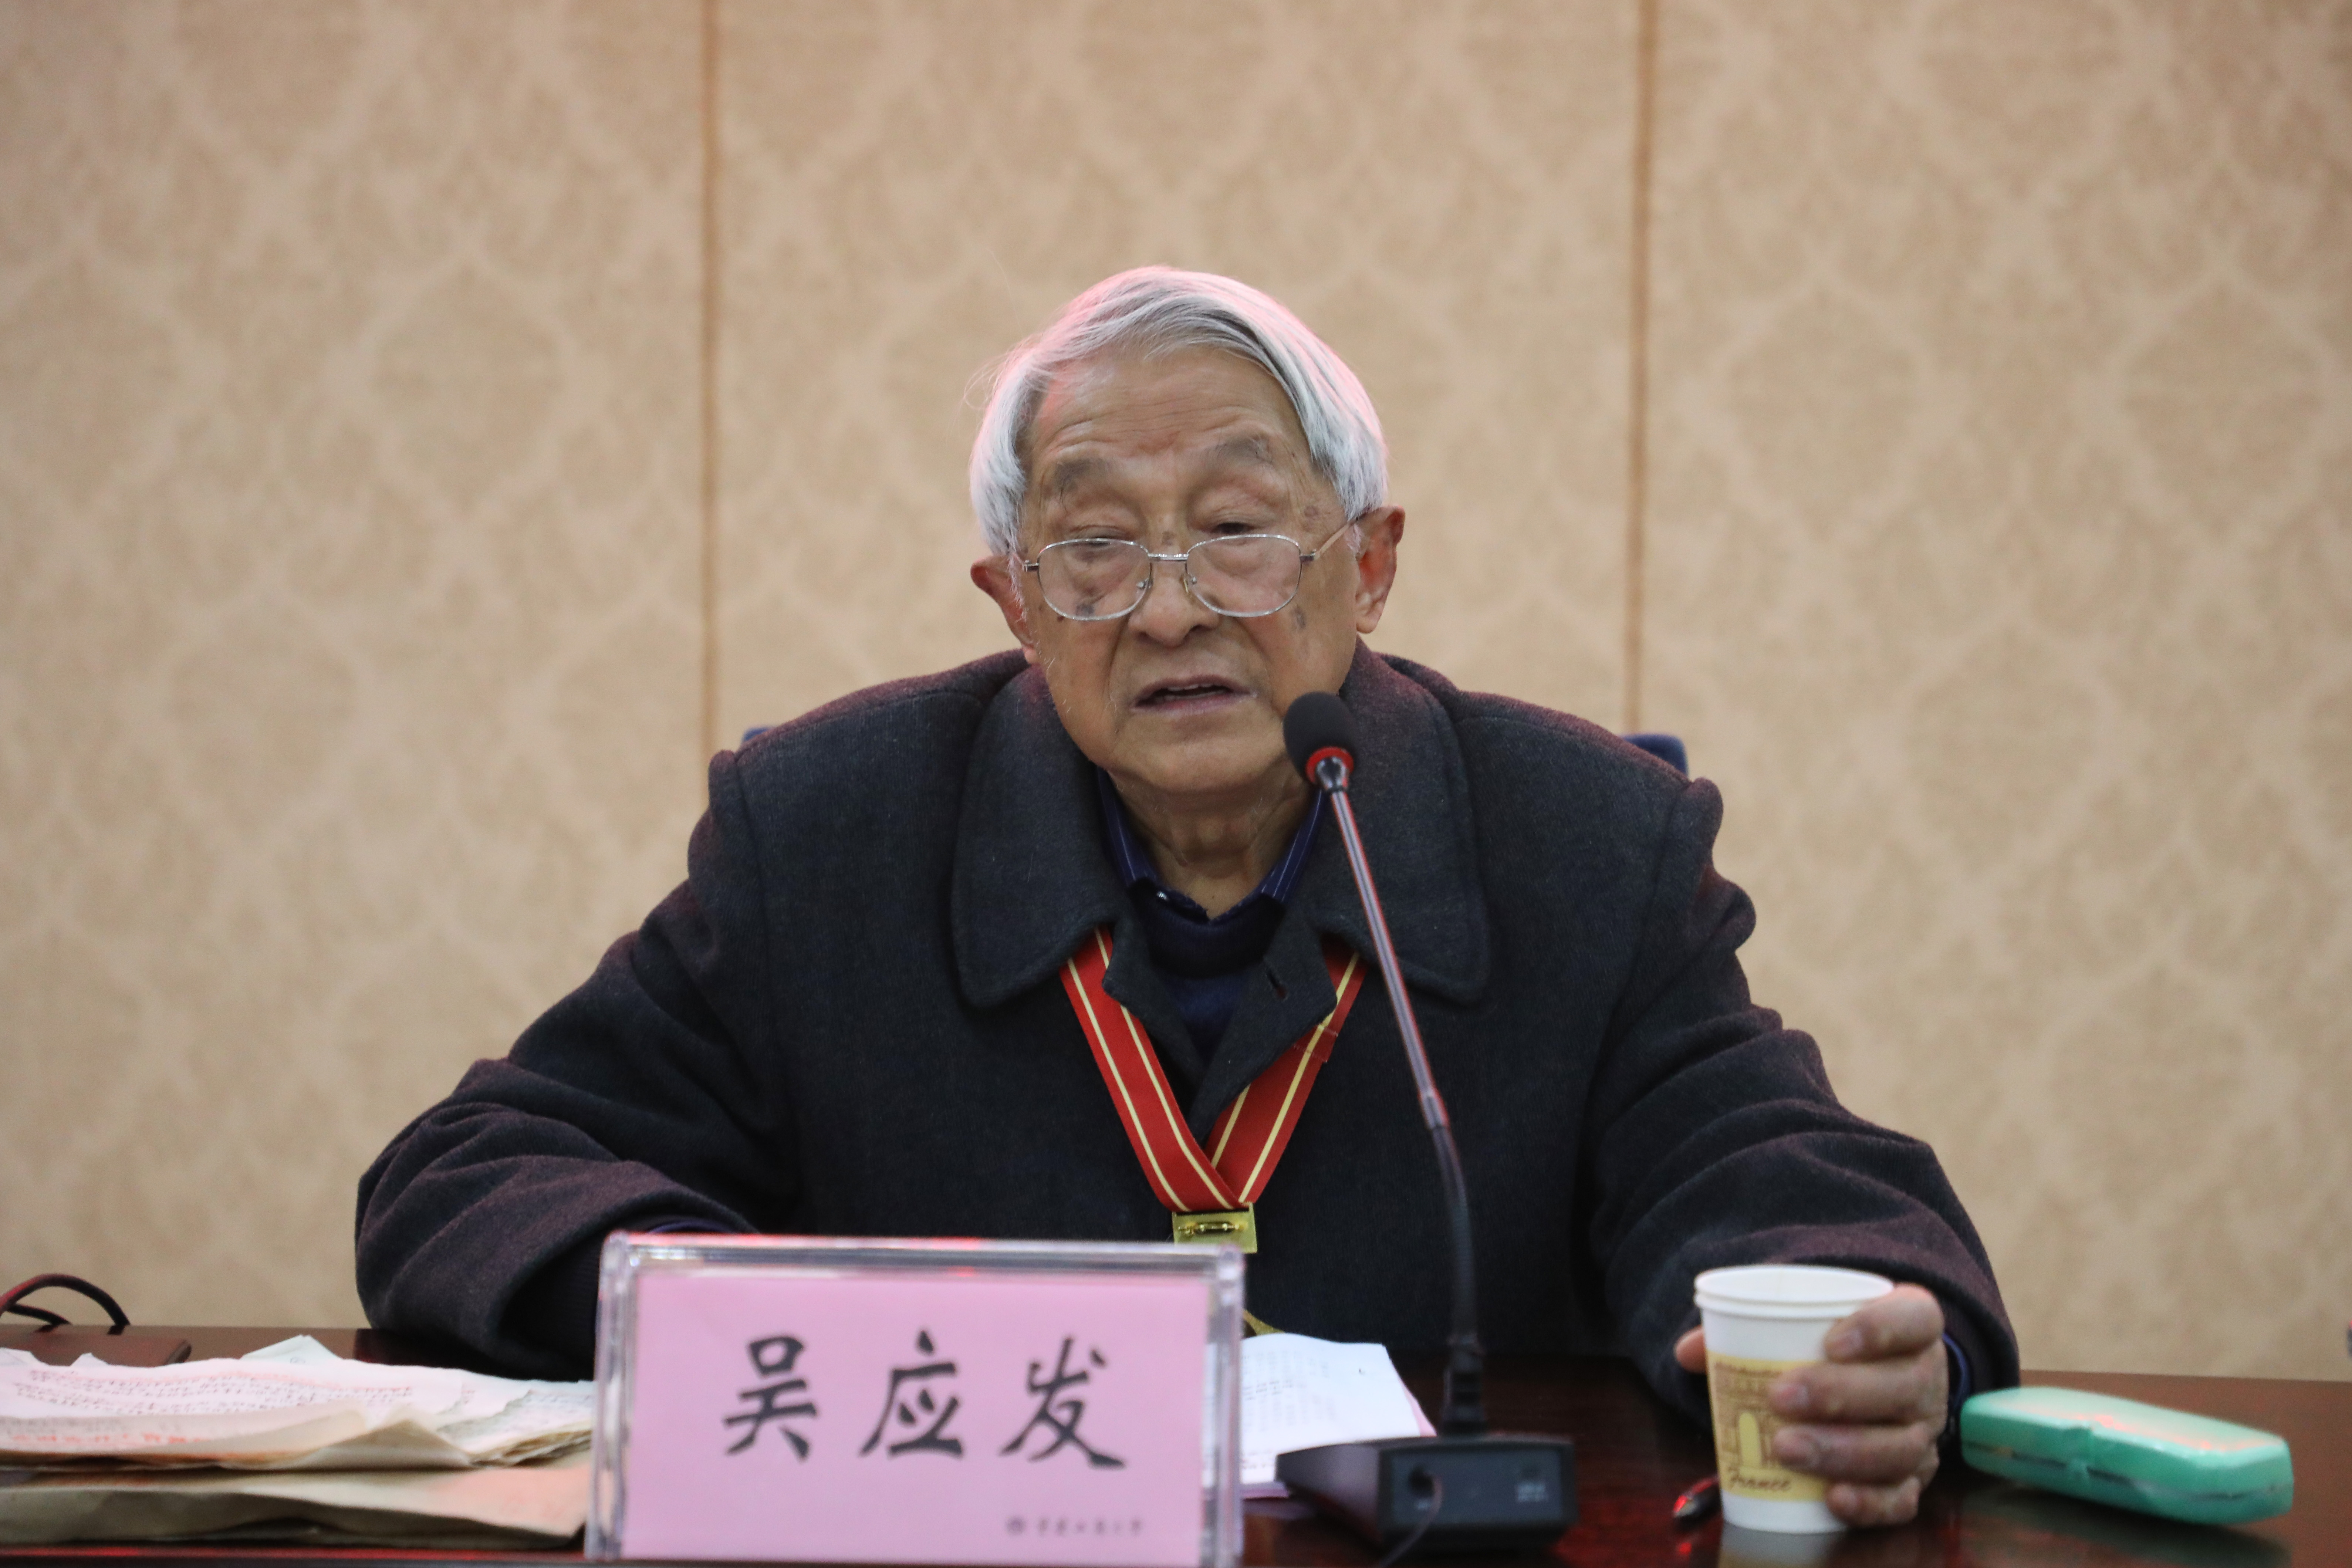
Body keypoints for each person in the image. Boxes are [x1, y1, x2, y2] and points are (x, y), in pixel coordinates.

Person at [357, 267, 2013, 1527]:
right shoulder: (829, 831)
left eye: (1235, 528)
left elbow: (1762, 1168)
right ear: (1014, 602)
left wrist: (1868, 1340)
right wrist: (758, 1325)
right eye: (1095, 546)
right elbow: (472, 1172)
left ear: (1369, 564)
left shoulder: (1588, 840)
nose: (1169, 611)